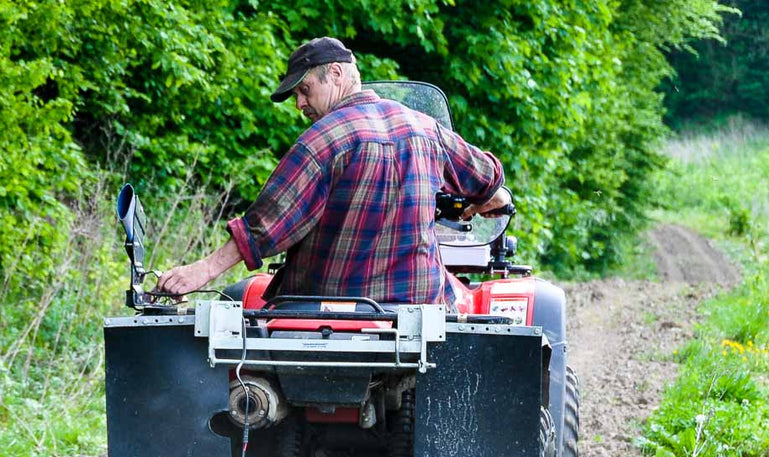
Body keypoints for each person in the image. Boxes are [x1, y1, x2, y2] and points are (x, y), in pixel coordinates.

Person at [155, 37, 512, 305]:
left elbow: (264, 227)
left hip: (327, 313)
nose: (300, 104)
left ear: (336, 74)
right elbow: (488, 176)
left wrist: (203, 270)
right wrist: (488, 196)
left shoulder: (322, 140)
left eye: (305, 90)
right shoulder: (425, 128)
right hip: (418, 309)